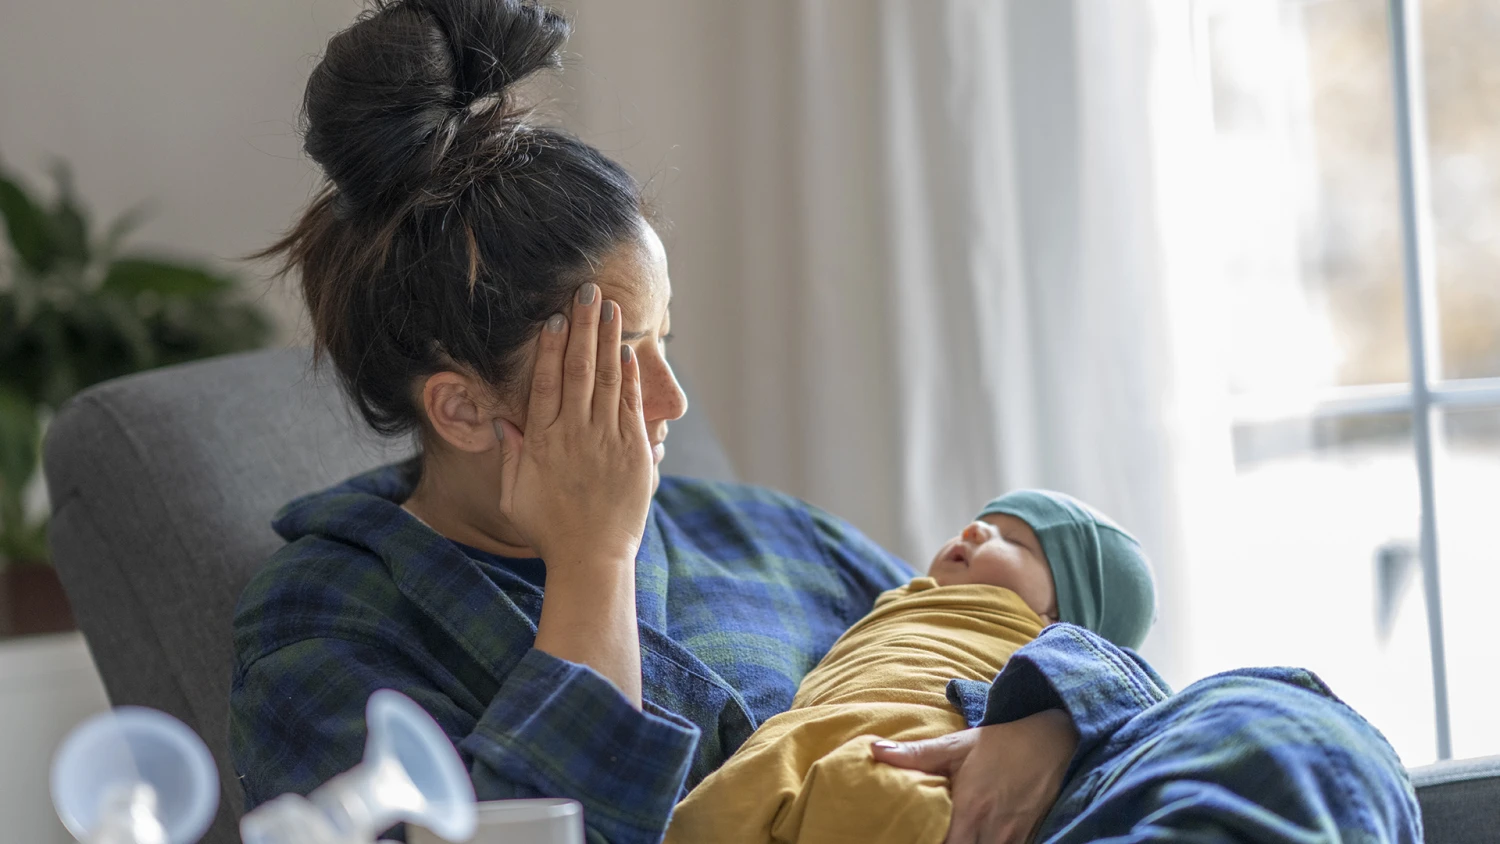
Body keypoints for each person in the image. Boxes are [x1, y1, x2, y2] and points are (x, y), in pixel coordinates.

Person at [230, 1, 1423, 842]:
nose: (671, 405)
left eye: (667, 346)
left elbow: (955, 639)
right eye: (617, 361)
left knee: (1287, 717)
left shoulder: (763, 536)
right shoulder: (324, 624)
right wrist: (591, 570)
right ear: (462, 405)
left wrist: (1048, 716)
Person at [664, 491, 1156, 844]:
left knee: (887, 799)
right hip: (805, 733)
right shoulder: (901, 596)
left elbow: (1118, 694)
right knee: (712, 812)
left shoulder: (1051, 640)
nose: (975, 529)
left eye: (1016, 541)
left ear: (1061, 613)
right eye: (984, 520)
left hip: (913, 743)